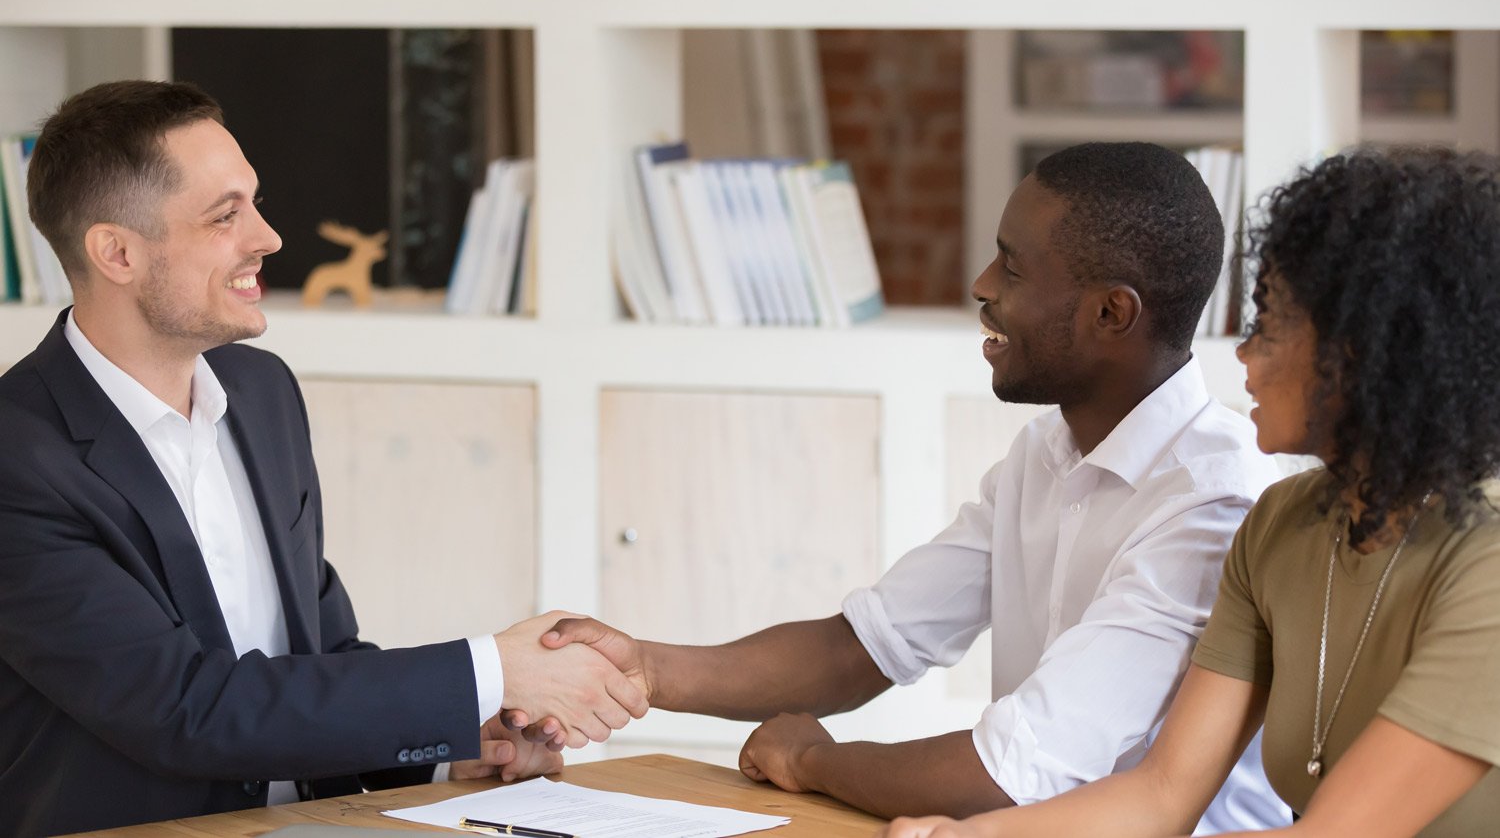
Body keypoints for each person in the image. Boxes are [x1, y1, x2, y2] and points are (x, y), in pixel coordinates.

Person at [511, 142, 1289, 831]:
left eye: (1012, 267)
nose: (983, 285)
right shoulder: (1048, 449)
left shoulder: (1212, 505)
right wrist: (645, 668)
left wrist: (814, 759)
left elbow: (1009, 775)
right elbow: (865, 645)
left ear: (1111, 313)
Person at [0, 80, 643, 837]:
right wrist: (492, 670)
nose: (267, 237)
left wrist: (451, 750)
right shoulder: (19, 457)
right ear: (117, 252)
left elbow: (321, 653)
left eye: (256, 202)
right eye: (225, 215)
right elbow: (186, 710)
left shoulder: (260, 389)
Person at [877, 147, 1500, 838]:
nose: (1242, 354)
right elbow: (1159, 797)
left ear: (1367, 351)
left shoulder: (1487, 569)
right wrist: (965, 835)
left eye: (1269, 323)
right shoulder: (1279, 527)